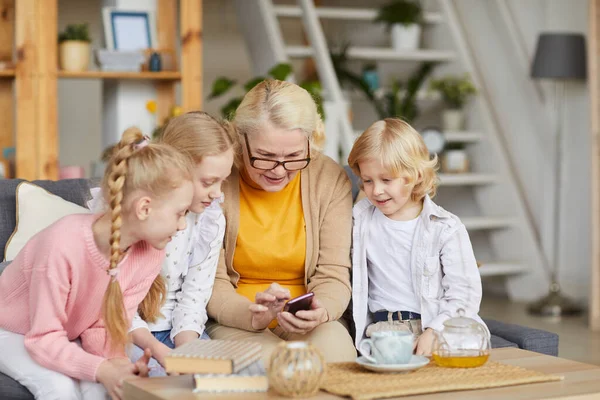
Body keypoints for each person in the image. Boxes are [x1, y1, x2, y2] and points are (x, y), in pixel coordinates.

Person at [0, 128, 195, 399]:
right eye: (180, 213)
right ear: (144, 208)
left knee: (101, 387)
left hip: (62, 334)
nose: (183, 225)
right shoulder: (61, 244)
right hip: (11, 330)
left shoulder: (150, 254)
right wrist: (102, 368)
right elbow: (42, 338)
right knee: (59, 387)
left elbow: (106, 325)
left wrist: (118, 367)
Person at [206, 79, 356, 363]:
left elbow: (333, 273)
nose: (279, 170)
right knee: (272, 369)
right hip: (237, 317)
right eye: (264, 157)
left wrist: (321, 310)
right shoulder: (219, 178)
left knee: (338, 360)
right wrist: (252, 315)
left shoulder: (328, 178)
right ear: (240, 139)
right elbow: (211, 282)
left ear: (310, 142)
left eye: (294, 157)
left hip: (306, 320)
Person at [91, 112, 236, 377]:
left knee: (215, 380)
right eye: (208, 182)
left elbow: (193, 297)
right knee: (155, 382)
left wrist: (188, 353)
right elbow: (115, 302)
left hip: (179, 330)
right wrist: (156, 349)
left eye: (222, 180)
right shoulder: (135, 215)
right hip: (127, 330)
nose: (217, 193)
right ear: (175, 170)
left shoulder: (210, 219)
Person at [348, 118, 488, 356]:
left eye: (386, 180)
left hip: (439, 327)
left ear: (415, 175)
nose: (376, 190)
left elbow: (464, 293)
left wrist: (434, 331)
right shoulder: (360, 219)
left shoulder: (446, 227)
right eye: (368, 180)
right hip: (384, 330)